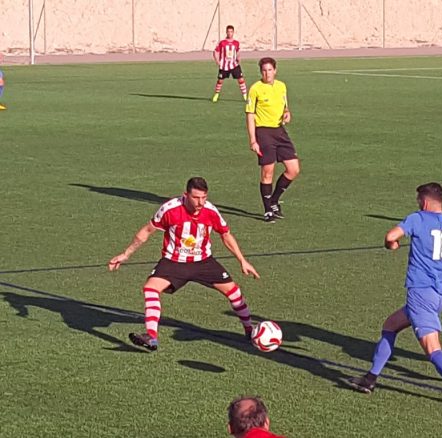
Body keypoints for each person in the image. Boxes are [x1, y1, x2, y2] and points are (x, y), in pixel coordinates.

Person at [347, 183, 442, 409]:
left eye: (418, 200)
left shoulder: (417, 218)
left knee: (433, 350)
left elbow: (391, 236)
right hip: (438, 295)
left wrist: (391, 245)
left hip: (420, 293)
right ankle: (370, 379)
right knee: (390, 325)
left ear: (424, 202)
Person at [108, 177, 260, 351]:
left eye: (204, 197)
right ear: (185, 195)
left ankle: (249, 331)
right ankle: (151, 336)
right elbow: (147, 231)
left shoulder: (210, 211)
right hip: (174, 262)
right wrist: (126, 254)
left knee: (234, 292)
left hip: (203, 262)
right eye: (196, 198)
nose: (200, 202)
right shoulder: (170, 209)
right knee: (150, 289)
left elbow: (225, 235)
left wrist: (242, 260)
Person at [245, 57, 300, 223]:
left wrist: (287, 113)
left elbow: (285, 106)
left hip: (279, 131)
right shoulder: (255, 89)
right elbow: (250, 115)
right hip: (263, 132)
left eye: (269, 70)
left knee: (293, 169)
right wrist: (253, 140)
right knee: (268, 171)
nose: (267, 73)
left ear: (275, 70)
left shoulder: (281, 86)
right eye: (264, 70)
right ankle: (268, 210)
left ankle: (274, 200)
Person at [212, 25, 247, 103]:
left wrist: (238, 57)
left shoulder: (236, 43)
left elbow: (238, 51)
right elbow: (215, 52)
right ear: (226, 32)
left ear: (233, 32)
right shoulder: (222, 42)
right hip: (224, 65)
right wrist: (217, 61)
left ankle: (245, 96)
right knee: (220, 81)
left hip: (234, 64)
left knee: (241, 79)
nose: (230, 33)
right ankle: (216, 94)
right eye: (228, 31)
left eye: (231, 32)